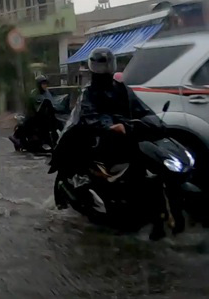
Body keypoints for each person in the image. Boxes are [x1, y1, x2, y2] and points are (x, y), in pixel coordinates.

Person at [51, 47, 179, 240]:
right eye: (100, 65)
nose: (104, 69)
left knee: (145, 169)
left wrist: (155, 122)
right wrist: (110, 126)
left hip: (127, 141)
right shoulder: (89, 93)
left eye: (107, 65)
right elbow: (91, 116)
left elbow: (142, 109)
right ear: (93, 68)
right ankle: (94, 200)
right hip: (100, 143)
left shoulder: (122, 90)